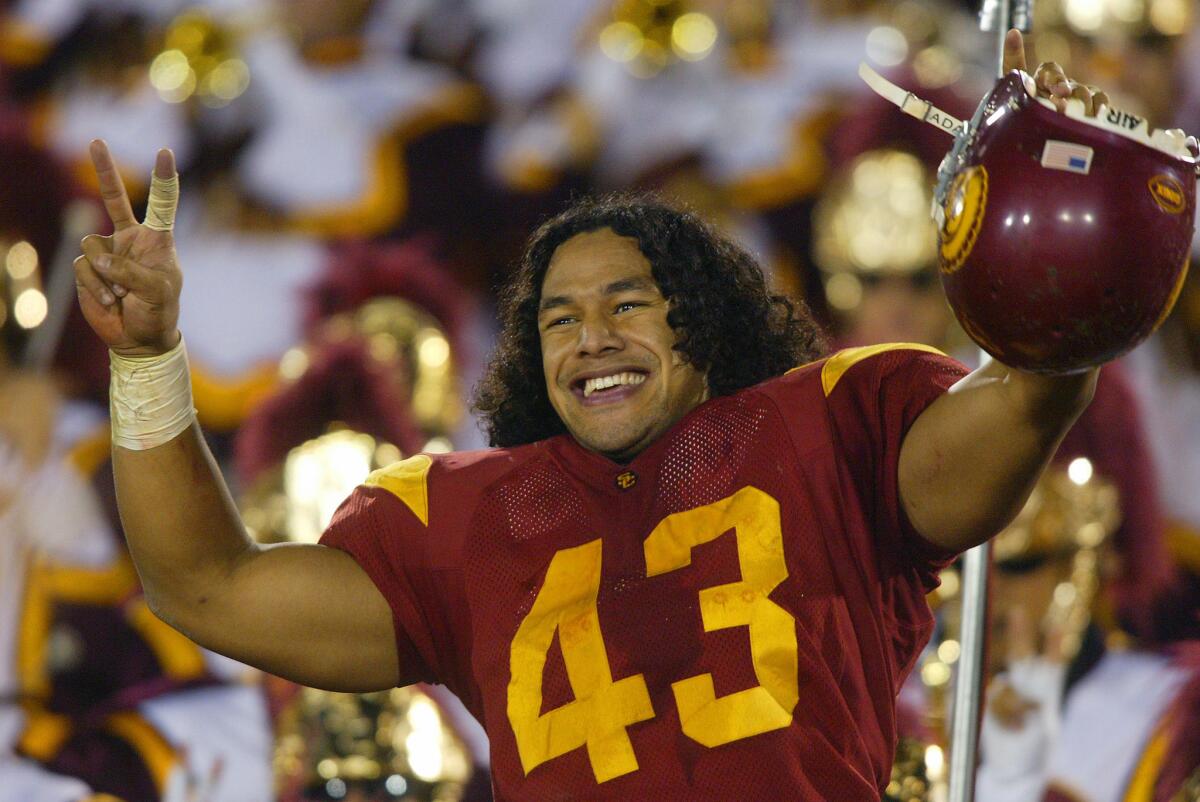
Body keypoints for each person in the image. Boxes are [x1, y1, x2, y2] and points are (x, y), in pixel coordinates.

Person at [74, 31, 1112, 800]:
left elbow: (1028, 395)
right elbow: (205, 586)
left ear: (700, 324)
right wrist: (148, 358)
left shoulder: (833, 429)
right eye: (559, 319)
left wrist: (1068, 227)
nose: (592, 337)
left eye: (628, 304)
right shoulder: (468, 524)